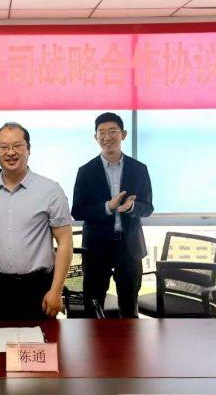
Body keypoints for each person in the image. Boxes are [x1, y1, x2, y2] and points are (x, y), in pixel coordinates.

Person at [0, 122, 73, 320]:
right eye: (3, 147)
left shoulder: (50, 190)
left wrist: (56, 290)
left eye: (17, 146)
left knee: (40, 339)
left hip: (38, 287)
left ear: (28, 149)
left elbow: (65, 242)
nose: (10, 152)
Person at [71, 112, 153, 318]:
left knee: (129, 306)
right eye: (102, 132)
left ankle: (129, 340)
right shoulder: (86, 171)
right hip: (97, 248)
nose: (107, 137)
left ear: (123, 134)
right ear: (96, 137)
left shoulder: (139, 169)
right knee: (93, 305)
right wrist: (108, 206)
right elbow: (78, 211)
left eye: (112, 131)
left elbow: (148, 207)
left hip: (129, 247)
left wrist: (132, 207)